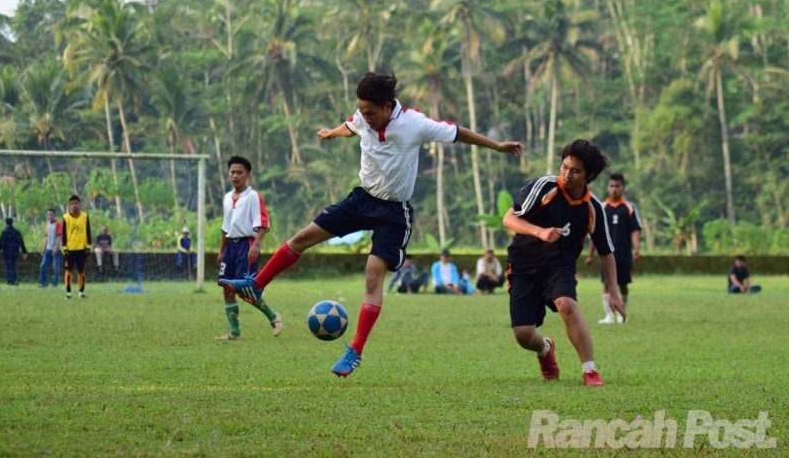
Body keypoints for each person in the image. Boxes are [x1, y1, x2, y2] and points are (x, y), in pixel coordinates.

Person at [219, 72, 523, 377]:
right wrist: (332, 133)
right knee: (303, 237)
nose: (365, 117)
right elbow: (350, 125)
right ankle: (256, 285)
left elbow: (459, 133)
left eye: (371, 112)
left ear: (389, 106)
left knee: (372, 278)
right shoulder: (364, 117)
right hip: (361, 200)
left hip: (393, 213)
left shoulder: (414, 124)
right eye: (362, 111)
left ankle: (355, 351)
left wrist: (497, 146)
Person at [502, 139, 625, 387]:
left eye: (575, 171)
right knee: (523, 334)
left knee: (567, 304)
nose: (567, 174)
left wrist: (614, 292)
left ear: (588, 176)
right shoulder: (544, 187)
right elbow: (509, 218)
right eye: (565, 167)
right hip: (524, 264)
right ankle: (545, 349)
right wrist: (540, 232)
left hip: (560, 266)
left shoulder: (594, 208)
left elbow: (606, 252)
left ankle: (589, 370)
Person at [215, 155, 282, 340]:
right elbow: (225, 226)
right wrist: (222, 250)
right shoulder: (228, 197)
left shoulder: (253, 196)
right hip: (231, 247)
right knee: (226, 286)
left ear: (248, 174)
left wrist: (257, 244)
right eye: (232, 172)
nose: (235, 175)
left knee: (244, 289)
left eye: (239, 172)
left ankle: (273, 316)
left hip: (247, 245)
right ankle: (234, 331)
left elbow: (262, 222)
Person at [586, 173, 642, 324]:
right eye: (611, 186)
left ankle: (622, 314)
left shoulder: (629, 208)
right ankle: (609, 316)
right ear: (608, 188)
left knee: (623, 285)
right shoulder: (602, 207)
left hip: (623, 254)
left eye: (617, 186)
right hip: (605, 254)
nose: (614, 189)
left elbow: (635, 230)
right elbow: (594, 233)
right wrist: (590, 255)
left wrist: (637, 249)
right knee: (606, 284)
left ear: (623, 188)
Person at [62, 195, 91, 299]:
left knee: (81, 271)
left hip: (81, 249)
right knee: (68, 271)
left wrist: (88, 247)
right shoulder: (65, 218)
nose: (75, 205)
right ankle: (68, 293)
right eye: (72, 203)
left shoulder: (84, 216)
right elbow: (64, 234)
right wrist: (64, 248)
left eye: (76, 203)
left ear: (79, 204)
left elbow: (88, 232)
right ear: (70, 205)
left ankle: (81, 292)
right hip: (69, 250)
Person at [0, 218, 28, 285]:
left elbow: (0, 243)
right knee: (13, 266)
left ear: (6, 224)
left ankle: (11, 281)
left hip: (6, 253)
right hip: (15, 252)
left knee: (8, 267)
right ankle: (14, 280)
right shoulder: (17, 232)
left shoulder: (4, 232)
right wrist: (24, 252)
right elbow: (21, 242)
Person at [38, 208, 63, 288]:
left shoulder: (58, 224)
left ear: (54, 215)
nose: (50, 216)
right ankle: (43, 283)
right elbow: (46, 237)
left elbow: (59, 237)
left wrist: (56, 247)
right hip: (48, 250)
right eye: (49, 214)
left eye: (51, 214)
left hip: (56, 250)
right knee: (43, 266)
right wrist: (43, 248)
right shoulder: (47, 224)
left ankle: (55, 284)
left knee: (55, 268)